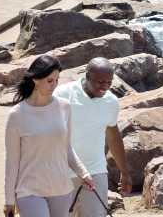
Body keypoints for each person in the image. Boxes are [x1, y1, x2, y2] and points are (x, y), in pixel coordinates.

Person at [4, 55, 95, 217]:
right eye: (49, 80)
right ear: (35, 79)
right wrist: (9, 200)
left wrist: (84, 173)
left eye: (56, 80)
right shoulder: (17, 115)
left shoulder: (64, 107)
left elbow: (66, 148)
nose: (54, 85)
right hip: (29, 190)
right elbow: (12, 162)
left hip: (61, 188)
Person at [54, 58, 133, 215]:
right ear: (87, 76)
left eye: (109, 82)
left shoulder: (111, 101)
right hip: (62, 171)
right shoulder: (63, 94)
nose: (105, 87)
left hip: (95, 170)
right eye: (100, 82)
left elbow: (113, 136)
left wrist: (124, 172)